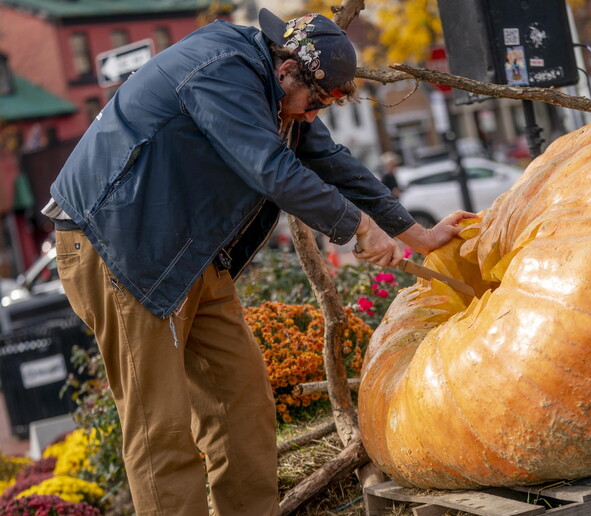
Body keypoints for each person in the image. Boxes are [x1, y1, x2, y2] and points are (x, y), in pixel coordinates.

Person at [43, 9, 473, 516]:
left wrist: (417, 234)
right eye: (316, 102)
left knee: (242, 406)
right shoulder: (221, 70)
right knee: (160, 429)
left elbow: (333, 162)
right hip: (121, 249)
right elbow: (270, 169)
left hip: (188, 255)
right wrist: (357, 226)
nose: (313, 116)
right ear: (288, 68)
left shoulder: (277, 92)